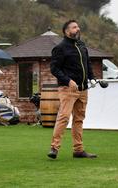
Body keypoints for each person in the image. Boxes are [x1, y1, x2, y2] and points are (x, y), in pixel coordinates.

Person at [48, 20, 97, 159]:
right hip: (67, 89)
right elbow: (54, 69)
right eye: (74, 27)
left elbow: (87, 64)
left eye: (78, 26)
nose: (78, 29)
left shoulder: (82, 46)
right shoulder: (60, 48)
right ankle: (54, 148)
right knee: (64, 118)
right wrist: (68, 81)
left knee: (79, 119)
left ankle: (78, 150)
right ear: (67, 31)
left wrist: (92, 77)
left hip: (83, 90)